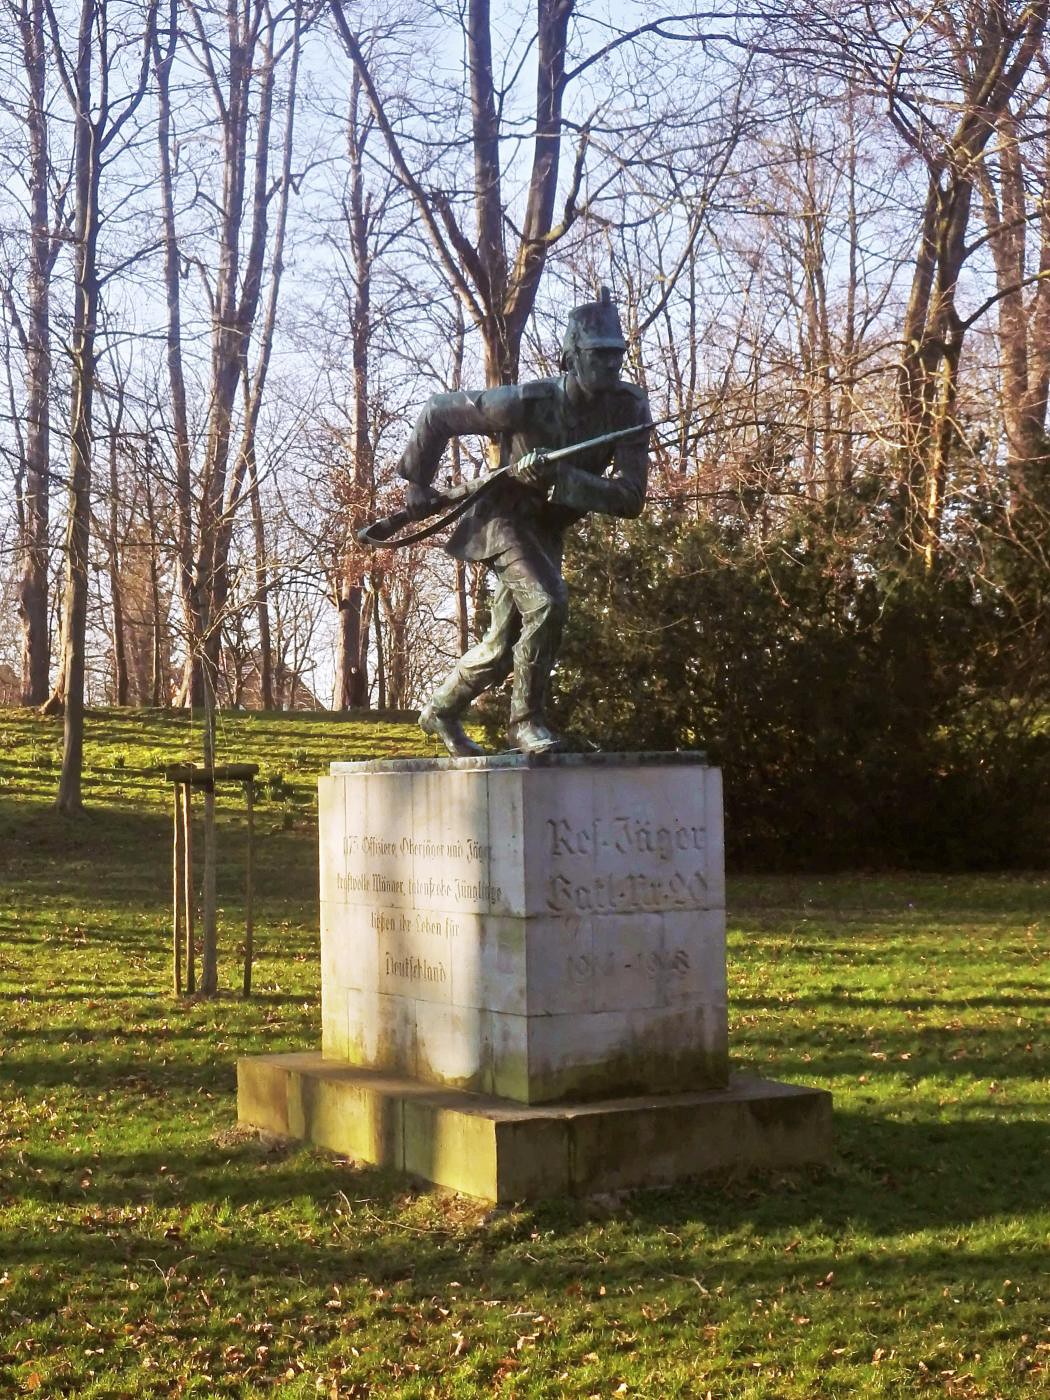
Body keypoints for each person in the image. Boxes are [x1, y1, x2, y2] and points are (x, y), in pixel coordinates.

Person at [398, 288, 652, 756]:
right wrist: (417, 482)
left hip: (548, 526)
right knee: (549, 604)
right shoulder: (528, 402)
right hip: (504, 518)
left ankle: (441, 709)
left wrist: (563, 476)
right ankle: (525, 722)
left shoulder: (629, 409)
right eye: (599, 355)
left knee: (501, 645)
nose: (612, 366)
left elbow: (631, 498)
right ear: (571, 357)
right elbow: (437, 412)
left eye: (617, 355)